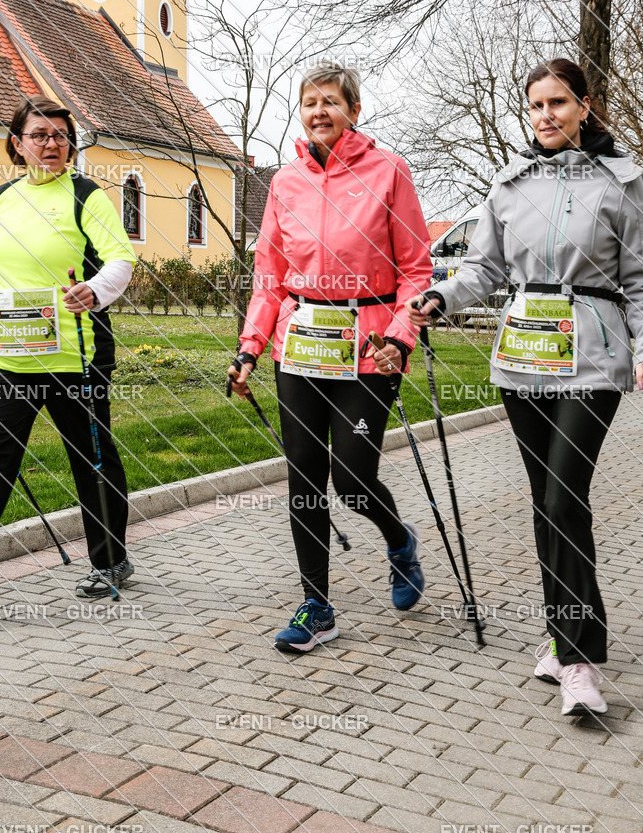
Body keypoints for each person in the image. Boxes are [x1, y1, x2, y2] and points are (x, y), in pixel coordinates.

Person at [408, 58, 643, 717]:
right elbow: (481, 270)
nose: (545, 115)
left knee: (566, 496)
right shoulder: (508, 184)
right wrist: (438, 296)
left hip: (592, 357)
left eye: (558, 103)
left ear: (585, 106)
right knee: (545, 502)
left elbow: (637, 279)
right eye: (535, 105)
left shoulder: (621, 183)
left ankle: (578, 661)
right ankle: (559, 633)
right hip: (522, 359)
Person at [228, 62, 432, 652]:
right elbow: (269, 275)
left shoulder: (388, 172)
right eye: (309, 102)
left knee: (352, 476)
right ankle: (317, 604)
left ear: (355, 109)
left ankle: (399, 540)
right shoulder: (285, 181)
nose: (319, 112)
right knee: (304, 482)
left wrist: (399, 337)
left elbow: (417, 270)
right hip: (301, 345)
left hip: (369, 349)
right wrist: (249, 348)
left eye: (331, 102)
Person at [0, 96, 136, 598]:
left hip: (76, 359)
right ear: (17, 144)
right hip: (8, 359)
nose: (51, 143)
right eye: (39, 135)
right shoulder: (0, 199)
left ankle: (110, 561)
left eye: (60, 135)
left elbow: (120, 261)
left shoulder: (87, 195)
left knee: (91, 460)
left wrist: (96, 290)